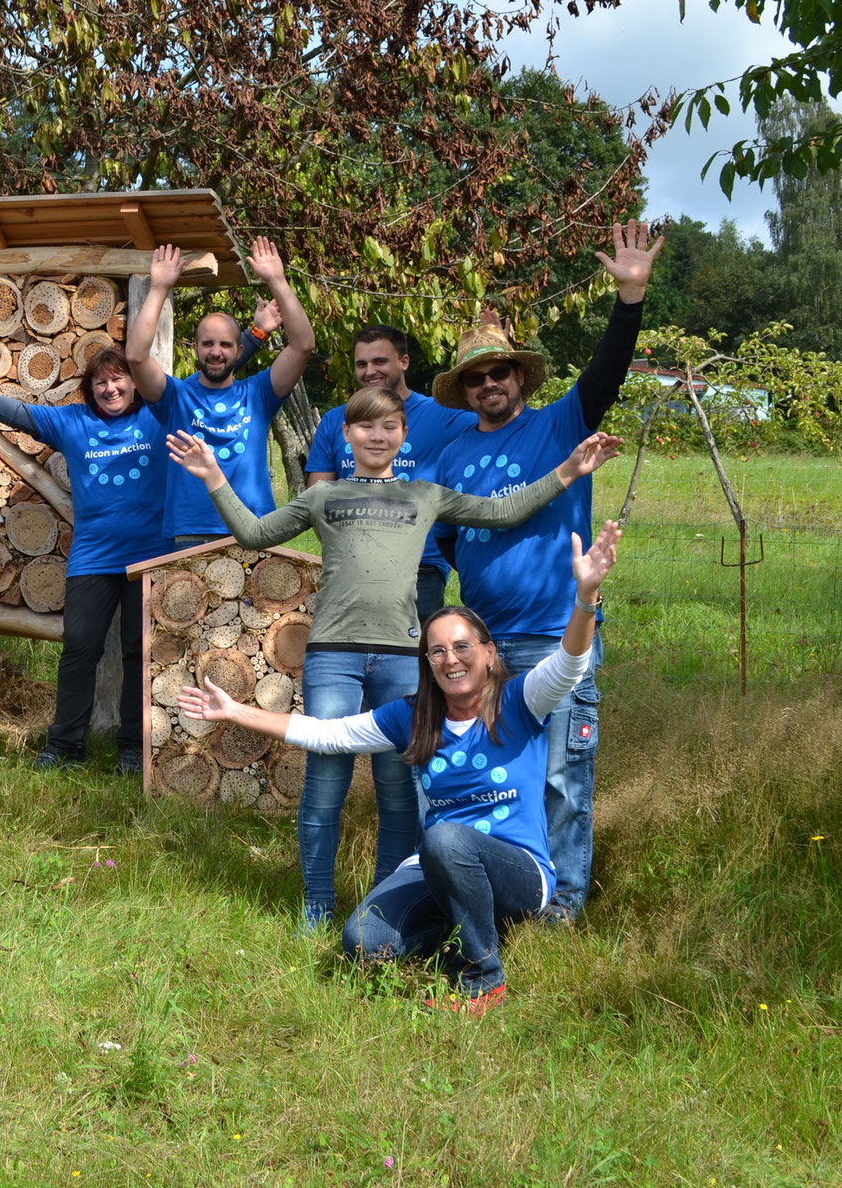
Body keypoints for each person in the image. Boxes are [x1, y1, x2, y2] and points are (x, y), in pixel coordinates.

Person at [169, 392, 622, 929]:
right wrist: (214, 477)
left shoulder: (424, 494)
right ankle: (317, 905)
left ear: (403, 435)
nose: (376, 436)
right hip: (333, 656)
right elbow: (254, 533)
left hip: (403, 658)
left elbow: (504, 511)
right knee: (325, 781)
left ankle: (387, 900)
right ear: (346, 436)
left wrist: (569, 469)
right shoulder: (324, 496)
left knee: (400, 789)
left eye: (389, 426)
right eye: (364, 427)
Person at [180, 519, 624, 1015]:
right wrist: (234, 710)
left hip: (518, 872)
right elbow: (330, 735)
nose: (450, 659)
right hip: (437, 867)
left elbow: (570, 662)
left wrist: (585, 597)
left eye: (462, 647)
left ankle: (480, 979)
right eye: (437, 651)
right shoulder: (411, 717)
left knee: (444, 837)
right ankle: (470, 926)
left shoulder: (521, 701)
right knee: (363, 944)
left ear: (488, 653)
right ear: (427, 662)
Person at [432, 221, 661, 922]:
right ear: (466, 390)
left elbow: (608, 371)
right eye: (476, 377)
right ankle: (507, 897)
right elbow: (445, 543)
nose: (488, 383)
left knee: (564, 778)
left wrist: (630, 299)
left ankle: (561, 912)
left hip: (560, 638)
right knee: (503, 781)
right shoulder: (451, 458)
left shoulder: (561, 425)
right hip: (488, 651)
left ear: (519, 377)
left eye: (498, 371)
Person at [0, 345, 166, 774]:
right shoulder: (74, 423)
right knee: (79, 649)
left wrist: (251, 339)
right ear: (89, 389)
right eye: (101, 381)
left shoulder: (158, 416)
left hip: (151, 557)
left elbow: (209, 391)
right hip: (93, 558)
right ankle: (66, 745)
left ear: (135, 382)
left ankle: (132, 746)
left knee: (138, 652)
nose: (110, 388)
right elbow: (16, 412)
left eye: (119, 379)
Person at [127, 238, 316, 544]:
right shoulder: (175, 398)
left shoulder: (259, 394)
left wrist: (277, 280)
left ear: (240, 349)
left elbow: (303, 344)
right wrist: (160, 288)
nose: (216, 352)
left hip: (256, 530)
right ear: (195, 347)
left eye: (225, 344)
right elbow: (136, 356)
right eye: (208, 344)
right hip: (192, 532)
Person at [302, 324, 476, 621]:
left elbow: (496, 419)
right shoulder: (336, 421)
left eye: (379, 361)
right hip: (350, 567)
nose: (370, 371)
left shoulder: (440, 415)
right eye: (361, 364)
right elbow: (315, 501)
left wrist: (495, 354)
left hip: (420, 567)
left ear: (404, 362)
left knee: (414, 663)